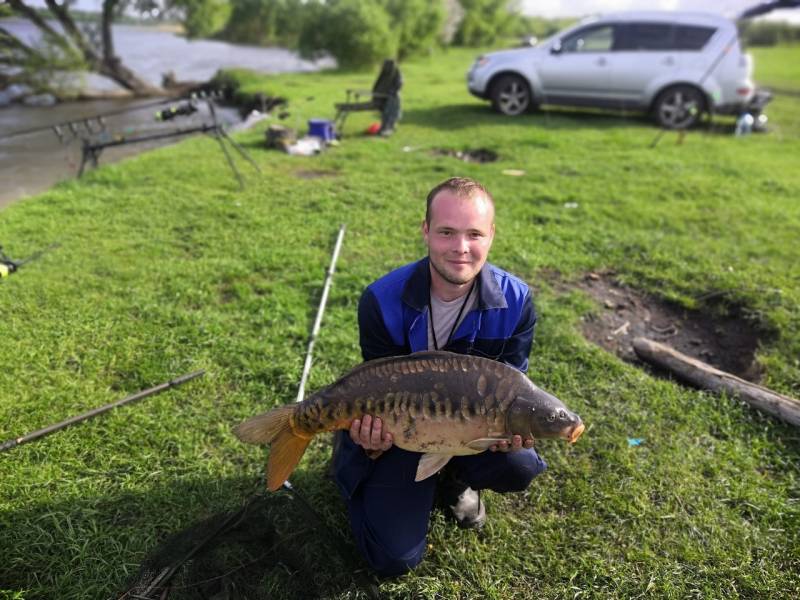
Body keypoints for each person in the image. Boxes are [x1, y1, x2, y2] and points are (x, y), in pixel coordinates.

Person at [331, 177, 546, 577]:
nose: (460, 248)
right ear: (426, 231)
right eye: (446, 232)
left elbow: (514, 383)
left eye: (474, 234)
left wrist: (512, 430)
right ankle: (355, 466)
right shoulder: (381, 299)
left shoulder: (516, 301)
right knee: (393, 558)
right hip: (401, 431)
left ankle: (452, 476)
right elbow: (373, 388)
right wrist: (369, 438)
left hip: (471, 429)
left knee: (519, 465)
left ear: (492, 235)